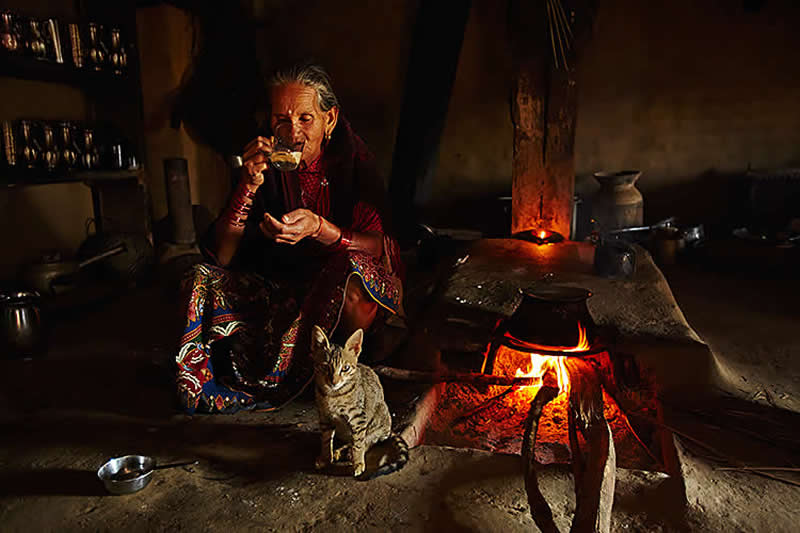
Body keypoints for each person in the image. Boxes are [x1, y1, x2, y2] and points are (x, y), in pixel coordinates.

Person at [176, 63, 404, 414]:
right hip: (277, 289)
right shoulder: (263, 162)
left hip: (335, 296)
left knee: (355, 269)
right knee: (199, 278)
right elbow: (221, 256)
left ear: (329, 119)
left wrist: (318, 228)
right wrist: (248, 185)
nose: (292, 130)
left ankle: (333, 374)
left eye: (305, 118)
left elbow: (378, 245)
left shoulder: (353, 162)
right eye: (281, 119)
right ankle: (207, 385)